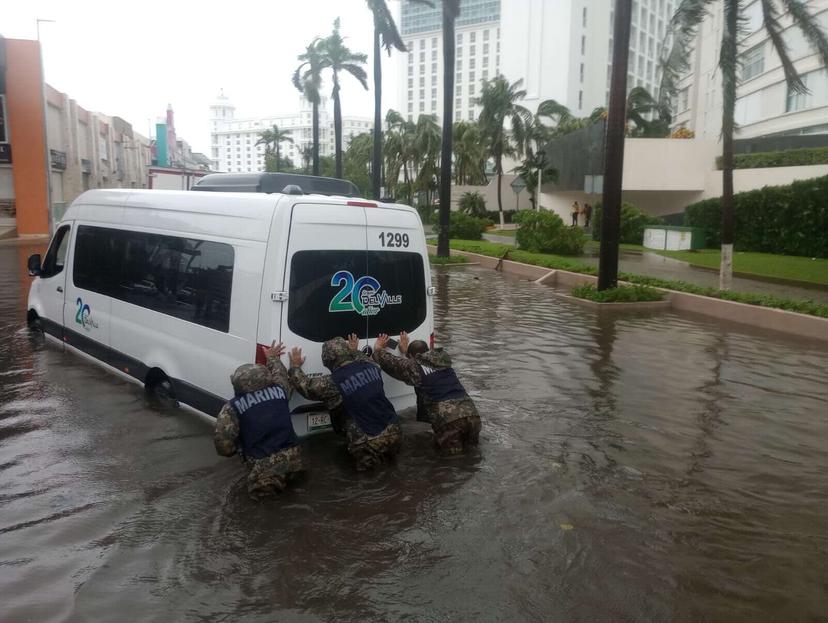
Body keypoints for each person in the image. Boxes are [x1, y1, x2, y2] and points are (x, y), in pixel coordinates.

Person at [288, 335, 402, 471]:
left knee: (370, 477)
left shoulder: (332, 382)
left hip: (370, 442)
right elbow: (363, 358)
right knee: (392, 467)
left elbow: (305, 387)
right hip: (395, 431)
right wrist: (354, 350)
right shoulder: (372, 366)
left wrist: (295, 367)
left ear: (327, 360)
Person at [214, 341, 305, 499]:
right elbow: (281, 375)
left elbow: (224, 447)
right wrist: (273, 358)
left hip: (265, 471)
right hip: (294, 461)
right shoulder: (280, 390)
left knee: (265, 509)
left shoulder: (231, 409)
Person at [372, 331, 481, 455]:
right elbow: (421, 363)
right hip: (472, 414)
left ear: (412, 356)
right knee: (473, 454)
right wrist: (406, 351)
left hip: (450, 420)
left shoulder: (415, 369)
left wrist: (378, 349)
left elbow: (391, 363)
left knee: (453, 461)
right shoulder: (443, 360)